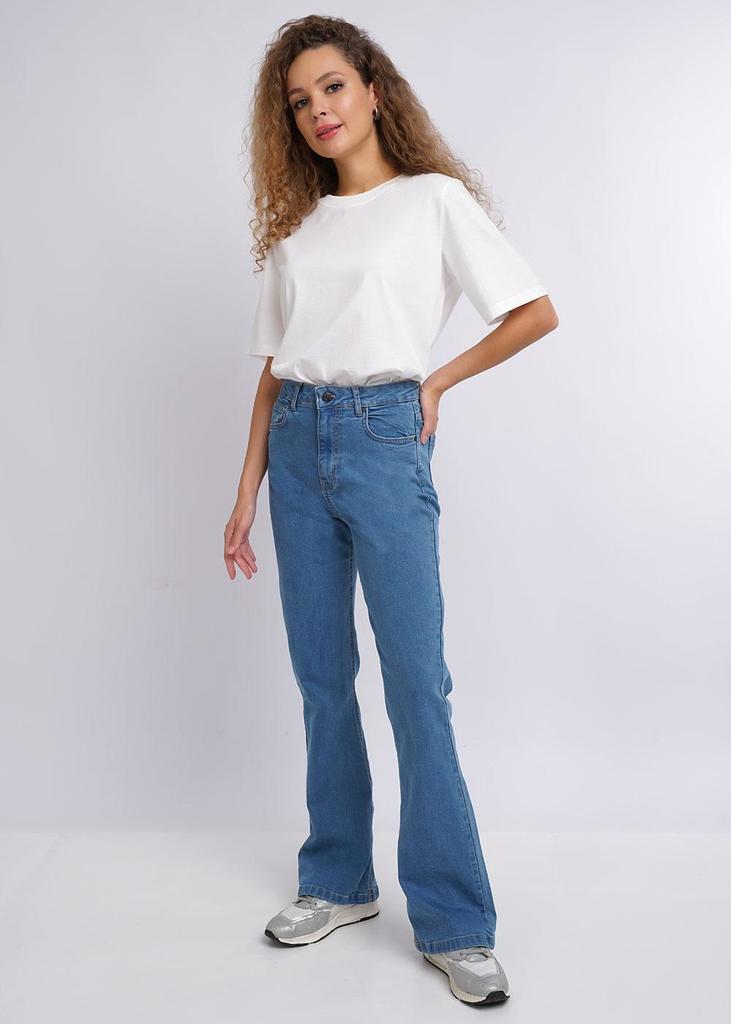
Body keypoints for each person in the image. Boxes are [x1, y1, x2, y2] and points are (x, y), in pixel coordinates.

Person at [224, 14, 558, 1006]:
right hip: (297, 447)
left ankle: (454, 921)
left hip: (381, 436)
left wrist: (437, 381)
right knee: (322, 679)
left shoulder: (432, 200)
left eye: (331, 87)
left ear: (372, 91)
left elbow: (532, 311)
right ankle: (338, 881)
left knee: (417, 685)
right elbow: (275, 371)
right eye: (299, 100)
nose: (317, 110)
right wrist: (244, 489)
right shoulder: (298, 227)